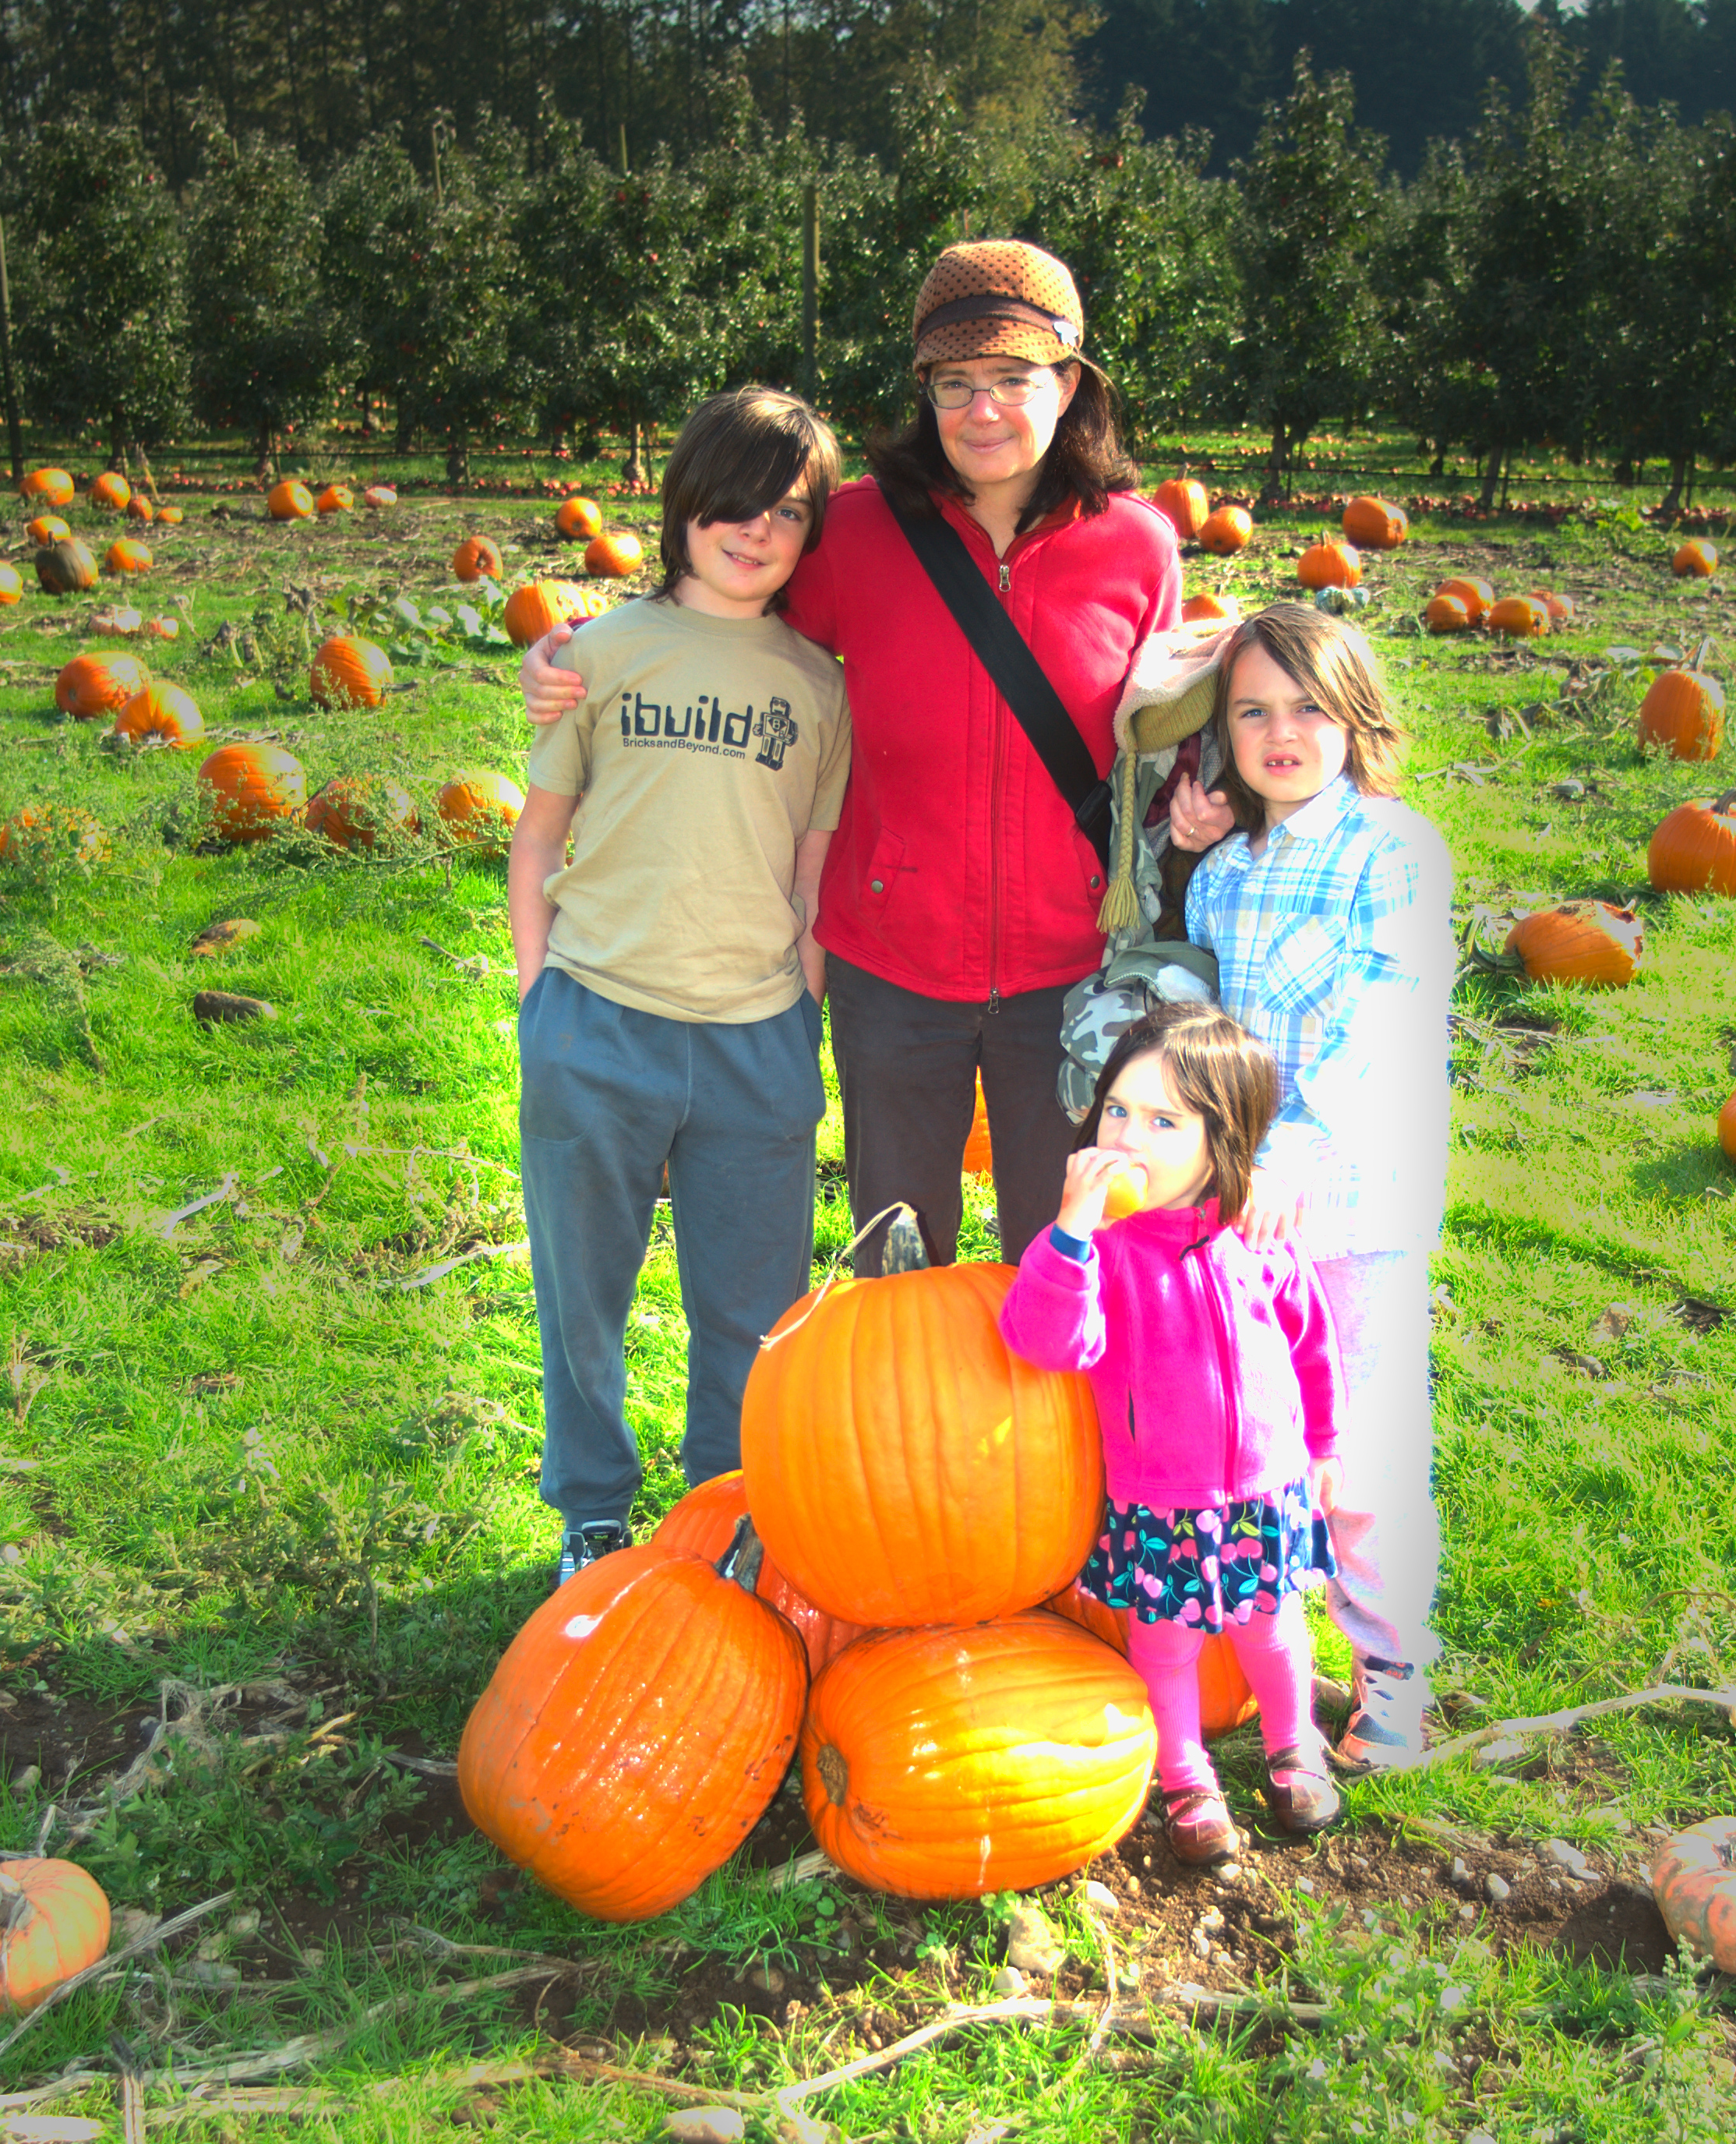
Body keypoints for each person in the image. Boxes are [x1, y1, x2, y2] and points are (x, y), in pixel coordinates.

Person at [518, 239, 1181, 1272]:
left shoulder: (1136, 545)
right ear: (925, 392)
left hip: (1069, 974)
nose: (983, 409)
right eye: (954, 382)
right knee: (898, 1260)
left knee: (1068, 1258)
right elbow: (714, 613)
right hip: (893, 969)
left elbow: (1162, 727)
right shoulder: (860, 533)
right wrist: (577, 651)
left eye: (1013, 379)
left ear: (1068, 384)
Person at [506, 386, 849, 1581]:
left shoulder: (819, 684)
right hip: (596, 1021)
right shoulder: (597, 654)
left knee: (753, 1313)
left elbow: (810, 875)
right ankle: (592, 1507)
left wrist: (801, 1024)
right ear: (684, 504)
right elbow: (538, 841)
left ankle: (725, 1513)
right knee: (583, 1292)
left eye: (789, 513)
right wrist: (539, 1005)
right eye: (736, 503)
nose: (757, 530)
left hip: (756, 1037)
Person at [1132, 600, 1454, 1771]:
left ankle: (1394, 1670)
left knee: (1358, 1449)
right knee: (1269, 1436)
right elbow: (1208, 1031)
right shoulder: (1226, 874)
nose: (1281, 733)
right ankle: (1284, 1646)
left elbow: (1382, 1025)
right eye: (1253, 711)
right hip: (1245, 1216)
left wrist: (1292, 1153)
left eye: (1308, 707)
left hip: (1352, 1199)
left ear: (1356, 715)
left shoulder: (1393, 851)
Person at [1000, 1001, 1346, 1855]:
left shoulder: (1258, 1233)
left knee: (1272, 1626)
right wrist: (1071, 1234)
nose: (1128, 1137)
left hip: (1264, 1488)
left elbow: (1312, 1342)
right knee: (1166, 1644)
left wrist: (1326, 1445)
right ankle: (1188, 1778)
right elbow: (1045, 1341)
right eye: (1117, 1109)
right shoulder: (1104, 1249)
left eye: (1163, 1121)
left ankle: (1294, 1747)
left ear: (1222, 1139)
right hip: (1159, 1498)